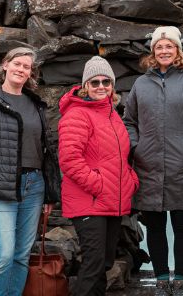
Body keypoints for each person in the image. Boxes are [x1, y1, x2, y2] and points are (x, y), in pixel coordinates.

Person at [123, 26, 183, 294]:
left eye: (169, 46)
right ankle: (161, 278)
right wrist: (138, 148)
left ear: (178, 50)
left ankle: (181, 278)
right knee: (155, 226)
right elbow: (129, 122)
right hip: (148, 166)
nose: (164, 51)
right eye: (159, 47)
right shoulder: (141, 84)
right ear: (153, 51)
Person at [0, 46, 59, 296]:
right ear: (5, 65)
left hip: (34, 185)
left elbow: (47, 150)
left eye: (26, 67)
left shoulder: (35, 103)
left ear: (30, 73)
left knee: (20, 255)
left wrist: (50, 193)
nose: (21, 69)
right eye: (17, 64)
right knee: (4, 253)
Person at [58, 56, 140, 296]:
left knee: (104, 263)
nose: (101, 87)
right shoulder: (77, 115)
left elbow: (120, 158)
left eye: (106, 81)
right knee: (93, 265)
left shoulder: (112, 115)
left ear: (113, 86)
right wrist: (100, 185)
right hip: (90, 201)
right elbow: (70, 161)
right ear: (85, 86)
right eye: (95, 82)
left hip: (111, 201)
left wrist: (130, 180)